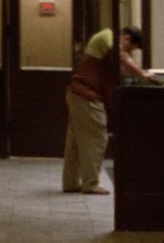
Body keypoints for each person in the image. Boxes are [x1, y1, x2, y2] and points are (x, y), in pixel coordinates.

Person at [62, 25, 158, 194]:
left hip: (78, 93)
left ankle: (70, 182)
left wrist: (137, 72)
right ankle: (91, 183)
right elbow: (123, 57)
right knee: (97, 138)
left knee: (76, 142)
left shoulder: (106, 45)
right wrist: (143, 75)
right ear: (126, 38)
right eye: (131, 48)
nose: (128, 52)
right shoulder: (107, 36)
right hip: (87, 94)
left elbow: (121, 68)